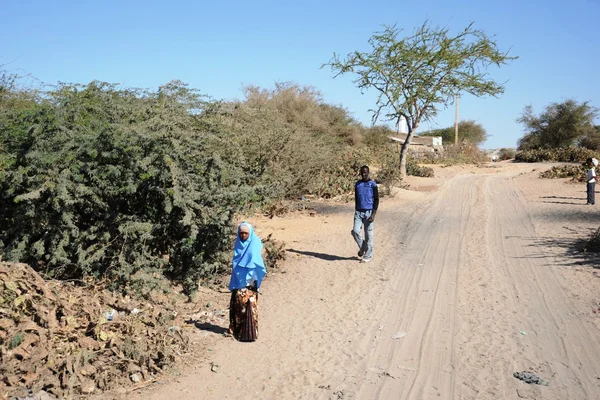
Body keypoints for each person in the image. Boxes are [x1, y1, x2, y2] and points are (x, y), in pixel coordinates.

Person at [228, 222, 267, 342]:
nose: (244, 235)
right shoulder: (238, 245)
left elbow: (258, 266)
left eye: (246, 233)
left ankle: (250, 334)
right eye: (241, 233)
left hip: (250, 284)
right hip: (238, 283)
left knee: (250, 308)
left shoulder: (254, 244)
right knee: (238, 307)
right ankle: (237, 331)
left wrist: (254, 283)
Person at [352, 165, 379, 263]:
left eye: (366, 172)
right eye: (362, 172)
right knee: (355, 231)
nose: (364, 174)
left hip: (369, 212)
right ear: (360, 173)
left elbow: (376, 200)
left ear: (368, 172)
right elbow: (356, 198)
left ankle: (368, 256)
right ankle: (363, 247)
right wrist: (356, 209)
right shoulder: (357, 184)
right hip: (358, 212)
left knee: (369, 236)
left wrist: (373, 214)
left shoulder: (373, 184)